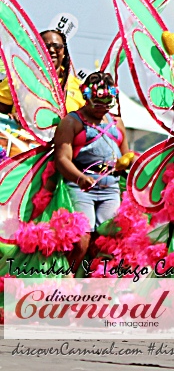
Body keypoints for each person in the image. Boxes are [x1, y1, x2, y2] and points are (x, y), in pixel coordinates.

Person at [52, 71, 128, 271]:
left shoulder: (117, 123)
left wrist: (127, 162)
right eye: (98, 100)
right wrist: (80, 179)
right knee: (80, 241)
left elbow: (126, 155)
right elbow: (61, 158)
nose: (103, 105)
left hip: (111, 189)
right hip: (80, 189)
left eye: (107, 101)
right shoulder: (71, 122)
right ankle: (64, 283)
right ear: (86, 96)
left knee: (107, 242)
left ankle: (95, 287)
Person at [0, 28, 84, 115]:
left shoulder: (78, 87)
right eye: (45, 46)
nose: (51, 50)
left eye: (57, 46)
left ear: (64, 53)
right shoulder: (18, 77)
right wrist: (13, 119)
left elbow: (86, 121)